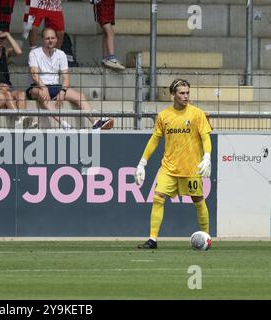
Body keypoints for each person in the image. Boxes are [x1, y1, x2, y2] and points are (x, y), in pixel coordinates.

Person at [134, 79, 212, 249]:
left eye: (187, 93)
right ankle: (152, 240)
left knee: (198, 199)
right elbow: (155, 139)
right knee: (158, 197)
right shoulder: (164, 116)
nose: (186, 96)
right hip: (168, 168)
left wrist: (207, 156)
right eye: (182, 93)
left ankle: (206, 237)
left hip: (191, 168)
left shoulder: (197, 114)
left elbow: (206, 137)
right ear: (173, 94)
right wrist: (142, 162)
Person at [27, 28, 114, 130]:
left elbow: (66, 77)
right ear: (42, 39)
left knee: (79, 96)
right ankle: (64, 124)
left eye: (52, 38)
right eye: (47, 38)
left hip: (55, 87)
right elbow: (34, 75)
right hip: (38, 86)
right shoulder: (34, 53)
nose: (50, 40)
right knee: (43, 95)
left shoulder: (61, 54)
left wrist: (63, 90)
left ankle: (96, 122)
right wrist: (43, 87)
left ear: (56, 39)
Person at [91, 0, 125, 70]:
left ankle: (106, 58)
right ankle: (111, 58)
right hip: (103, 4)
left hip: (107, 4)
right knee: (110, 32)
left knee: (106, 32)